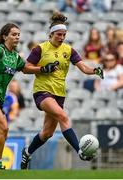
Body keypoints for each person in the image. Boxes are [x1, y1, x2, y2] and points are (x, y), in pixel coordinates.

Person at [0, 23, 59, 170]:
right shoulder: (0, 50)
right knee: (4, 128)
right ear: (4, 36)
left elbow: (26, 68)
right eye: (13, 34)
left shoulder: (15, 57)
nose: (17, 37)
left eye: (18, 35)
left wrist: (43, 69)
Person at [20, 12, 104, 169]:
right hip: (42, 92)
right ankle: (80, 150)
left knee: (47, 133)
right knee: (63, 116)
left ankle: (27, 153)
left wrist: (94, 71)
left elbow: (83, 67)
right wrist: (43, 69)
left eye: (64, 34)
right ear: (51, 33)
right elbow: (25, 68)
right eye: (59, 34)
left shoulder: (69, 50)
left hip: (59, 94)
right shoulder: (40, 49)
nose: (62, 37)